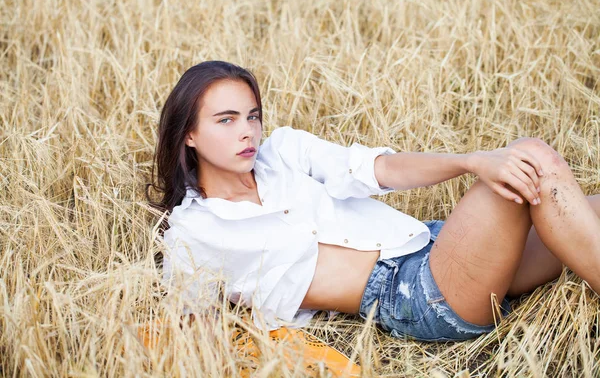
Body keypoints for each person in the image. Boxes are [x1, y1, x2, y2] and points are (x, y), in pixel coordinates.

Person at [147, 60, 600, 342]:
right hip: (415, 295)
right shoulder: (196, 233)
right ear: (188, 133)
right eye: (225, 120)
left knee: (589, 208)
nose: (247, 131)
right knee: (533, 159)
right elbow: (188, 332)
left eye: (252, 116)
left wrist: (470, 160)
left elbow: (379, 169)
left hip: (433, 245)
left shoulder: (282, 151)